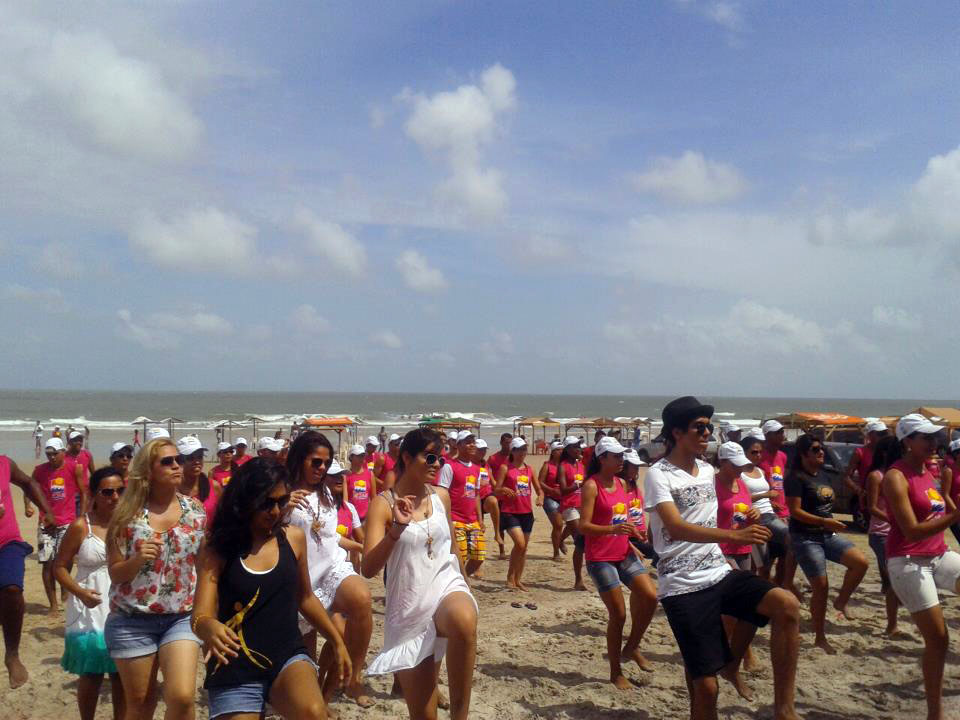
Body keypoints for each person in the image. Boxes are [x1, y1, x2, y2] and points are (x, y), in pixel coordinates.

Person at [644, 396, 800, 720]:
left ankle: (784, 710)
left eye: (709, 427)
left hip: (718, 571)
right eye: (698, 427)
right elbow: (675, 526)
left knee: (786, 605)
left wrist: (749, 516)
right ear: (676, 432)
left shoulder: (707, 470)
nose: (707, 433)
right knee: (706, 689)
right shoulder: (659, 474)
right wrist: (733, 536)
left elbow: (718, 513)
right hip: (681, 584)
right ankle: (716, 674)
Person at [193, 458, 350, 720]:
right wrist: (207, 626)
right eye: (266, 503)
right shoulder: (217, 549)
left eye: (281, 501)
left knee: (314, 713)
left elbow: (305, 598)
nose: (275, 511)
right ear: (244, 501)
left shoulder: (293, 538)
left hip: (286, 655)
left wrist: (336, 641)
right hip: (234, 663)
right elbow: (200, 614)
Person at [363, 428, 478, 720]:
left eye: (439, 458)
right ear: (405, 457)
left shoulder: (441, 496)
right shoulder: (383, 504)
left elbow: (451, 543)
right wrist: (396, 529)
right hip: (409, 605)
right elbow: (368, 568)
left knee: (464, 620)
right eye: (429, 457)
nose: (437, 464)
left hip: (444, 586)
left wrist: (464, 581)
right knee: (424, 715)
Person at [105, 438, 205, 720]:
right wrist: (137, 560)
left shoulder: (195, 510)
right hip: (132, 618)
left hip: (181, 616)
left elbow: (204, 564)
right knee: (140, 705)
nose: (177, 465)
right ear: (148, 470)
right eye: (167, 461)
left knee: (183, 697)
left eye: (178, 460)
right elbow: (115, 573)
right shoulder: (126, 515)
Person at [286, 431, 373, 708]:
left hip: (333, 567)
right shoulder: (281, 488)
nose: (322, 469)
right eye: (316, 462)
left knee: (361, 599)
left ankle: (354, 678)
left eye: (326, 463)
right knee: (308, 659)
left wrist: (360, 547)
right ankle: (318, 700)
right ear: (300, 459)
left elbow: (330, 537)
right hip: (300, 580)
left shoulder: (326, 491)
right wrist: (280, 505)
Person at [882, 414, 960, 720]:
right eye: (924, 437)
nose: (933, 442)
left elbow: (945, 509)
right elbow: (912, 530)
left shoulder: (930, 471)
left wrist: (953, 505)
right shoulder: (895, 477)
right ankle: (935, 713)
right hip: (908, 562)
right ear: (906, 442)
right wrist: (954, 517)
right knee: (939, 640)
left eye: (934, 437)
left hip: (938, 554)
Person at [579, 436, 657, 689]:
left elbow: (623, 520)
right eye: (616, 456)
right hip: (600, 558)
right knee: (619, 614)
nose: (621, 460)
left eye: (622, 456)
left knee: (650, 597)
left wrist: (633, 533)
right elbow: (584, 526)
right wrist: (612, 529)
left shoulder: (623, 484)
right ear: (602, 459)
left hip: (623, 552)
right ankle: (615, 671)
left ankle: (631, 646)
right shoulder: (592, 486)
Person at [785, 433, 868, 654]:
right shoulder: (795, 478)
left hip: (826, 535)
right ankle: (820, 637)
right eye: (815, 449)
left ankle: (841, 601)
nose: (821, 452)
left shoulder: (821, 474)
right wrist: (824, 521)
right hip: (806, 537)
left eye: (821, 448)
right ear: (803, 454)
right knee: (821, 587)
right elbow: (795, 511)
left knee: (860, 563)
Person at [53, 467, 126, 720]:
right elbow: (59, 567)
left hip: (121, 602)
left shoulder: (129, 523)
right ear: (94, 494)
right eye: (107, 491)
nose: (115, 497)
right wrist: (79, 592)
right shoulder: (80, 526)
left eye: (120, 491)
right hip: (90, 603)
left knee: (121, 672)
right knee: (92, 671)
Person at [0, 453, 56, 688]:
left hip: (7, 541)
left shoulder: (4, 464)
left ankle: (12, 654)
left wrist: (46, 510)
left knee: (12, 588)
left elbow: (28, 482)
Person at [30, 437, 88, 615]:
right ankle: (52, 604)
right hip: (46, 523)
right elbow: (29, 487)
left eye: (55, 453)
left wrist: (81, 516)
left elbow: (83, 492)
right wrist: (28, 505)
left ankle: (64, 588)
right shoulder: (40, 471)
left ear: (63, 452)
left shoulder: (73, 467)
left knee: (65, 560)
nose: (51, 457)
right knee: (47, 564)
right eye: (48, 454)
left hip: (68, 521)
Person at [863, 435, 902, 636]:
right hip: (881, 533)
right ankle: (891, 624)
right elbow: (872, 507)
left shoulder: (897, 474)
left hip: (897, 531)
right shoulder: (876, 476)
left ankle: (893, 619)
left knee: (894, 578)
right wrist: (893, 519)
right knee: (893, 579)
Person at [494, 437, 542, 592]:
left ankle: (518, 579)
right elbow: (496, 489)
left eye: (524, 449)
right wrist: (503, 490)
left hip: (527, 512)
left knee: (523, 548)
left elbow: (539, 489)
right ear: (513, 451)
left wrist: (540, 497)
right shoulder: (505, 468)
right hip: (510, 512)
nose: (523, 453)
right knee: (520, 544)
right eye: (519, 449)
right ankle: (510, 576)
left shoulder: (529, 469)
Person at [739, 436, 790, 579]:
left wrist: (771, 502)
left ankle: (779, 583)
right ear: (743, 453)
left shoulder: (760, 471)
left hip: (771, 515)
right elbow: (739, 499)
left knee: (768, 560)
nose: (758, 455)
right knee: (761, 564)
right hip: (757, 517)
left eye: (760, 452)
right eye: (754, 452)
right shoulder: (740, 473)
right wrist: (765, 495)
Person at [758, 420, 799, 596]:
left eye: (782, 432)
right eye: (778, 432)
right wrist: (768, 502)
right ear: (767, 436)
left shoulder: (782, 456)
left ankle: (781, 584)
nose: (782, 435)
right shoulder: (759, 457)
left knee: (785, 554)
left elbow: (781, 483)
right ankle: (766, 589)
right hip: (767, 513)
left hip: (784, 511)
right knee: (767, 558)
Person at [438, 431, 485, 579]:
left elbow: (476, 495)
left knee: (479, 557)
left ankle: (460, 578)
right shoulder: (449, 466)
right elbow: (442, 492)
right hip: (455, 519)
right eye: (467, 442)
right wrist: (446, 519)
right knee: (460, 555)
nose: (472, 444)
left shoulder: (477, 468)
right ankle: (456, 581)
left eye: (473, 441)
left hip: (472, 520)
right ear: (458, 445)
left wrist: (480, 519)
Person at [557, 435, 587, 590]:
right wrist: (579, 485)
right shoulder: (563, 466)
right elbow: (563, 489)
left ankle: (560, 539)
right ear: (568, 449)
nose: (578, 449)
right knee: (580, 542)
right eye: (575, 447)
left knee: (578, 535)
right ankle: (578, 580)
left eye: (579, 446)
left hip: (582, 505)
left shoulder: (581, 465)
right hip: (569, 505)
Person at [622, 449, 657, 564]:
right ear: (624, 466)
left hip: (640, 537)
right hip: (626, 539)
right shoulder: (617, 486)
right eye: (634, 466)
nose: (637, 469)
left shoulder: (634, 486)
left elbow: (638, 513)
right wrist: (630, 545)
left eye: (638, 466)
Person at [176, 437, 218, 520]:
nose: (197, 461)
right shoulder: (172, 490)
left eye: (199, 456)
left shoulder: (214, 486)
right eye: (190, 458)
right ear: (179, 461)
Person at [538, 441, 566, 560]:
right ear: (553, 452)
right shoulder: (547, 465)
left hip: (564, 497)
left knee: (572, 524)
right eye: (558, 450)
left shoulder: (566, 465)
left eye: (562, 450)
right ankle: (556, 553)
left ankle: (560, 540)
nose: (560, 452)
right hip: (550, 498)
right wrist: (550, 490)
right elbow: (540, 481)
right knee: (558, 524)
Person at [345, 444, 376, 522]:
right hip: (352, 518)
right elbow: (345, 501)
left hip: (366, 518)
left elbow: (374, 498)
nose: (362, 458)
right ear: (351, 457)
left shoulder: (370, 474)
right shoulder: (346, 476)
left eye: (363, 455)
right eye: (359, 456)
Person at [940, 438, 960, 545]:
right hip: (954, 514)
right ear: (957, 454)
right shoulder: (949, 471)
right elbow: (945, 494)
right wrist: (957, 513)